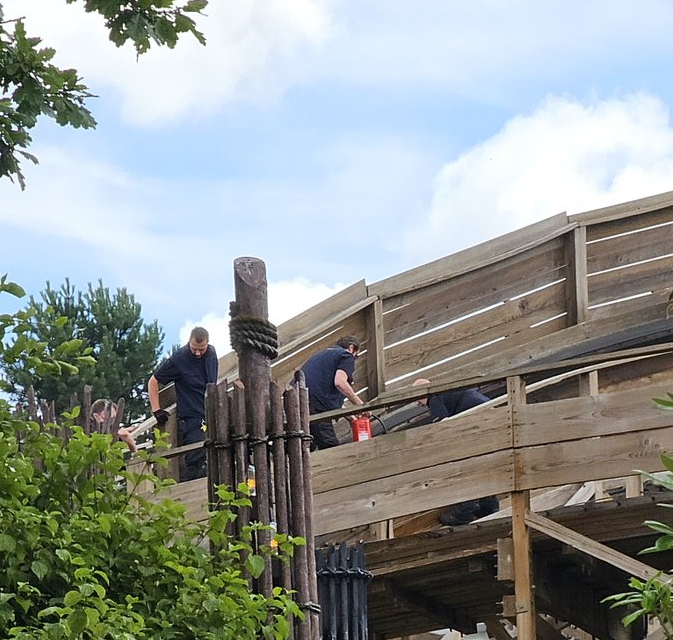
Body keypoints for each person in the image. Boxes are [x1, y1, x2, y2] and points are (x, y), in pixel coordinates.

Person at [413, 378, 499, 526]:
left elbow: (443, 424)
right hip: (489, 416)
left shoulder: (434, 397)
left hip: (476, 423)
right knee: (482, 464)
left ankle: (464, 511)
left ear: (422, 393)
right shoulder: (450, 389)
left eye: (416, 399)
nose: (417, 404)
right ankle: (489, 506)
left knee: (466, 466)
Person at [148, 326, 218, 481]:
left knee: (214, 453)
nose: (198, 353)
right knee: (196, 457)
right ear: (189, 343)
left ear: (207, 344)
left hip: (210, 411)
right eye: (194, 349)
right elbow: (154, 381)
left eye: (202, 349)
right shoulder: (179, 359)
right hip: (191, 416)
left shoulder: (211, 354)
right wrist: (156, 409)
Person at [301, 335, 367, 450]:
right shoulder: (346, 356)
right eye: (357, 356)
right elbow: (340, 383)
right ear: (352, 348)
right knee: (330, 446)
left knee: (308, 446)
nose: (355, 359)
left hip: (298, 402)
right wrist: (361, 405)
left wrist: (351, 417)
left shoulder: (323, 356)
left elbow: (327, 394)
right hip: (315, 405)